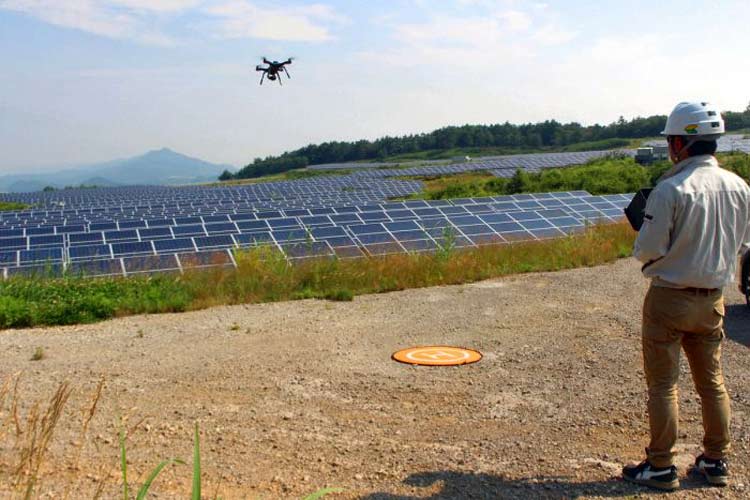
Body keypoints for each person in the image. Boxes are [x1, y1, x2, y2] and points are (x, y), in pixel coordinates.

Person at [622, 101, 750, 491]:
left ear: (679, 143)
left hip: (669, 300)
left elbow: (646, 250)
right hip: (713, 299)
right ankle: (716, 461)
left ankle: (660, 466)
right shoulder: (740, 187)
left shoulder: (670, 189)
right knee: (712, 382)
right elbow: (743, 243)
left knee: (664, 385)